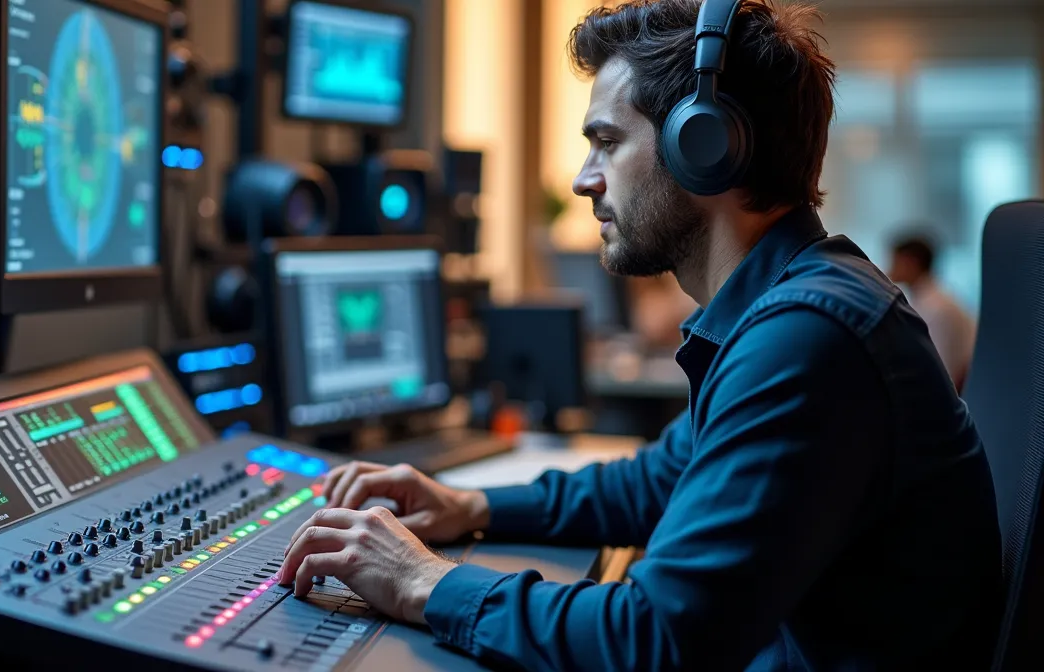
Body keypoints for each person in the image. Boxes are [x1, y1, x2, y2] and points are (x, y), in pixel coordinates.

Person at [277, 0, 1002, 669]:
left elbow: (655, 639)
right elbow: (659, 477)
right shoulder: (787, 308)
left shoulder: (808, 337)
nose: (583, 180)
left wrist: (421, 582)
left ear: (704, 146)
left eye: (605, 142)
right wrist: (473, 506)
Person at [887, 234, 977, 390]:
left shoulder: (935, 307)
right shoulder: (924, 300)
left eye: (895, 261)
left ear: (911, 263)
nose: (889, 268)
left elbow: (941, 370)